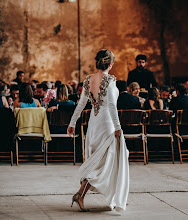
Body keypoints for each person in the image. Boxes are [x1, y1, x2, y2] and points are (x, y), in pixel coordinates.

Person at [67, 49, 129, 212]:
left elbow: (81, 104)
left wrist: (72, 122)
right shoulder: (109, 80)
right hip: (107, 124)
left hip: (93, 125)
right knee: (105, 163)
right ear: (110, 64)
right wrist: (117, 127)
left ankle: (85, 194)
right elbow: (111, 105)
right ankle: (81, 194)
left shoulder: (88, 80)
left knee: (98, 162)